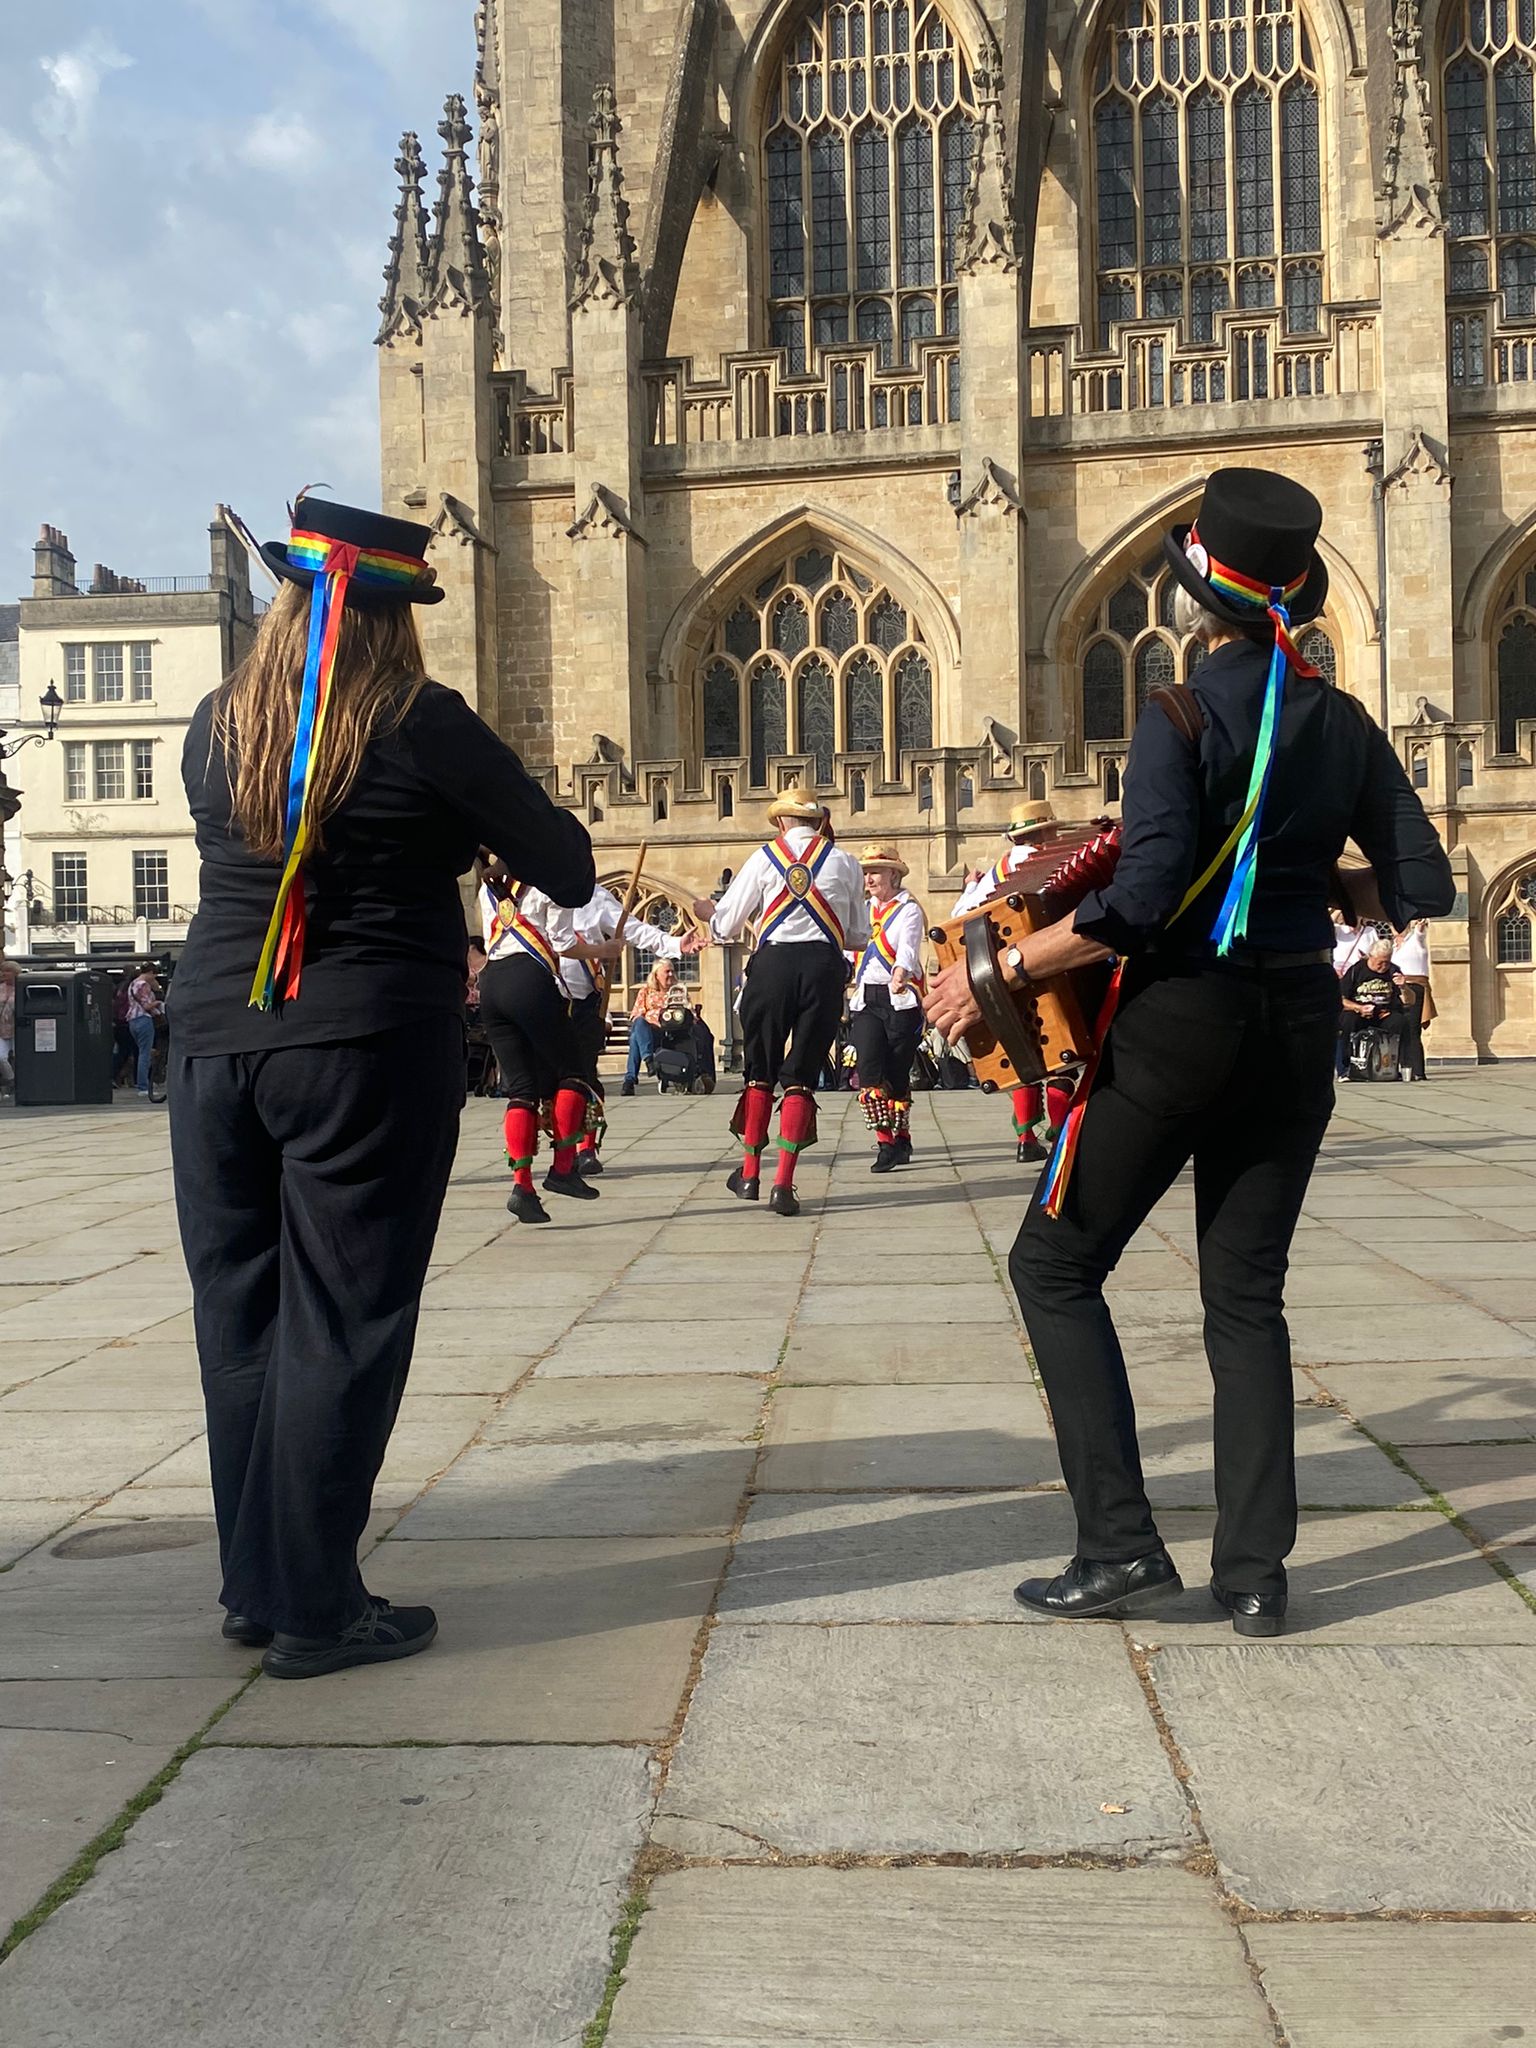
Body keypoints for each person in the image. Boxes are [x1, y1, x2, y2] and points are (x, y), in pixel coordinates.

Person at [927, 467, 1453, 1638]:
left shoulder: (1176, 716)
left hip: (1179, 1030)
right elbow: (1427, 884)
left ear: (1192, 603)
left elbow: (1145, 899)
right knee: (1246, 1300)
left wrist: (1000, 971)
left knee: (1055, 1268)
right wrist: (1304, 872)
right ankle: (1257, 1574)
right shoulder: (1345, 720)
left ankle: (1119, 1544)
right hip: (1297, 1032)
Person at [169, 492, 593, 1680]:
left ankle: (256, 1583)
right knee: (344, 1317)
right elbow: (563, 866)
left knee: (241, 1313)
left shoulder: (216, 723)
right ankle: (313, 1599)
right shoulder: (423, 722)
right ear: (394, 616)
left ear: (295, 599)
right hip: (361, 1044)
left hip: (211, 1042)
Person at [694, 785, 869, 1217]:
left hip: (771, 968)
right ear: (818, 822)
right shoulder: (845, 863)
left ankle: (750, 1173)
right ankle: (784, 1185)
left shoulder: (763, 857)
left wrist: (706, 912)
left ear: (780, 822)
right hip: (823, 969)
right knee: (801, 1076)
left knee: (759, 1070)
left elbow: (726, 925)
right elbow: (859, 936)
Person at [474, 856, 615, 1221]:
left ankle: (522, 1187)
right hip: (530, 981)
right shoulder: (550, 884)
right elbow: (565, 944)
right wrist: (603, 951)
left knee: (520, 1088)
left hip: (491, 984)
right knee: (574, 1072)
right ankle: (563, 1168)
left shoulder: (486, 891)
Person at [952, 801, 1074, 1163]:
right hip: (1049, 965)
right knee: (1061, 1056)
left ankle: (1025, 1139)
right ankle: (1061, 1136)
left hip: (1005, 975)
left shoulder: (996, 872)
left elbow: (961, 916)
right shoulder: (1060, 861)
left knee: (1024, 1048)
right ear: (1047, 833)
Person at [567, 886, 697, 1169]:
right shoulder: (528, 890)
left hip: (583, 999)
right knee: (543, 1082)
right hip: (544, 995)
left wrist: (674, 945)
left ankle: (586, 1149)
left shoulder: (592, 896)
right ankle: (558, 1156)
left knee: (585, 1074)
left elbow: (634, 929)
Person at [848, 845, 926, 1172]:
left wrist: (901, 972)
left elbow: (908, 945)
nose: (869, 878)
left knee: (896, 1073)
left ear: (893, 874)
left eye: (875, 872)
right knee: (869, 1071)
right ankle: (885, 1143)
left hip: (900, 999)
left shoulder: (908, 909)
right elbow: (848, 944)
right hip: (867, 998)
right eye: (866, 873)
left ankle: (902, 1136)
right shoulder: (862, 911)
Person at [1340, 936, 1408, 1074]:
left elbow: (1409, 1001)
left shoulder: (1393, 971)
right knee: (1348, 1021)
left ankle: (1394, 1065)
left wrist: (1404, 987)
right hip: (1358, 1012)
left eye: (1387, 962)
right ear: (1371, 957)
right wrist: (1358, 1008)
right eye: (1380, 962)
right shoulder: (1356, 970)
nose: (1384, 966)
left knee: (1400, 1022)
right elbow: (1340, 999)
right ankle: (1347, 1066)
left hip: (1384, 1013)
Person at [622, 955, 684, 1096]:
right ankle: (649, 1060)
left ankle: (630, 1080)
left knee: (634, 1039)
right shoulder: (645, 991)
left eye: (672, 971)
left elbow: (688, 1012)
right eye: (667, 972)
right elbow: (636, 1014)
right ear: (656, 975)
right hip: (648, 1033)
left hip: (669, 1033)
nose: (671, 974)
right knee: (639, 1024)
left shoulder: (678, 992)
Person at [1392, 917, 1434, 1081]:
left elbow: (1420, 932)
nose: (1397, 929)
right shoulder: (1394, 946)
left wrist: (1420, 924)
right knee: (1399, 1027)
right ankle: (1402, 1067)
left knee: (1412, 1029)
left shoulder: (1416, 939)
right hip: (1397, 988)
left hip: (1414, 987)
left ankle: (1418, 1071)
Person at [125, 963, 164, 1097]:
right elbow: (147, 1006)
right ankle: (143, 1086)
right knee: (145, 1054)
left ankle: (141, 1082)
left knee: (140, 1052)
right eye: (154, 975)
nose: (154, 978)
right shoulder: (144, 985)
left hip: (132, 1020)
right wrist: (158, 1003)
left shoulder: (132, 984)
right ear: (151, 973)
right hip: (144, 1019)